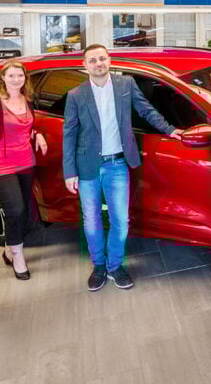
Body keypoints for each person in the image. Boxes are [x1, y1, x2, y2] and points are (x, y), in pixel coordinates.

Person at [62, 44, 182, 292]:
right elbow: (69, 134)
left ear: (109, 60)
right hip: (87, 166)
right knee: (92, 220)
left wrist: (170, 130)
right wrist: (69, 171)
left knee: (121, 221)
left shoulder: (125, 85)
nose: (98, 64)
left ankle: (115, 265)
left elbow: (146, 110)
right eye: (93, 60)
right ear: (85, 66)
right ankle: (99, 266)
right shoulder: (75, 95)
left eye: (102, 59)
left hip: (118, 163)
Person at [0, 61, 49, 279]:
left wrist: (38, 134)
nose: (16, 79)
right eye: (11, 76)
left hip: (27, 162)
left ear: (25, 78)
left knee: (24, 211)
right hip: (0, 165)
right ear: (3, 78)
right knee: (15, 210)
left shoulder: (28, 100)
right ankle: (18, 256)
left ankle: (9, 250)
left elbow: (29, 125)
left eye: (20, 75)